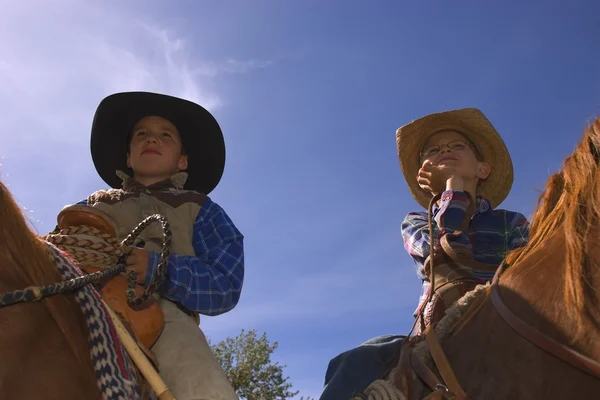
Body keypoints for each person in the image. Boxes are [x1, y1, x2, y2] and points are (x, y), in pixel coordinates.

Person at [319, 108, 529, 400]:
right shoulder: (416, 222)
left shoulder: (513, 222)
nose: (445, 150)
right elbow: (443, 252)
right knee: (355, 361)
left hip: (505, 316)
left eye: (458, 146)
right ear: (424, 175)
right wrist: (453, 188)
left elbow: (529, 273)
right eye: (434, 150)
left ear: (483, 169)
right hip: (435, 327)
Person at [64, 91, 243, 400]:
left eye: (165, 135)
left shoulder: (201, 209)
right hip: (81, 303)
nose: (152, 140)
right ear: (128, 157)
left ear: (182, 160)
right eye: (142, 134)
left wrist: (159, 268)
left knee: (206, 388)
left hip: (165, 319)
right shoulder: (93, 204)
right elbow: (58, 247)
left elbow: (224, 285)